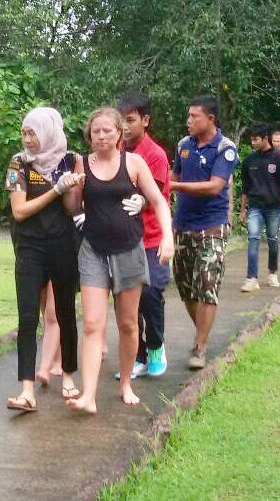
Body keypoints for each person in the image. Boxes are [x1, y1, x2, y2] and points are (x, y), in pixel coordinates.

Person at [65, 107, 174, 414]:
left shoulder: (134, 162)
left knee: (127, 324)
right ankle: (88, 395)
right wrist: (74, 190)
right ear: (89, 135)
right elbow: (73, 206)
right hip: (93, 252)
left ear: (118, 133)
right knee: (92, 325)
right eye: (96, 131)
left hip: (128, 250)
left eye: (107, 131)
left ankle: (125, 382)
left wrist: (167, 237)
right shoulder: (82, 163)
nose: (102, 136)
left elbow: (159, 202)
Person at [4, 106, 84, 412]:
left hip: (63, 244)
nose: (27, 139)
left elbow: (73, 208)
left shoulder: (70, 159)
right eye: (24, 132)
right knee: (27, 318)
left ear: (48, 131)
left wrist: (72, 187)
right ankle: (26, 390)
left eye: (32, 133)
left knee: (65, 313)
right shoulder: (18, 163)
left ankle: (68, 375)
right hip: (29, 247)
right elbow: (19, 211)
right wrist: (56, 188)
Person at [170, 95, 239, 370]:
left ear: (210, 119)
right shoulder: (183, 146)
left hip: (212, 225)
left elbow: (214, 186)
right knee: (186, 287)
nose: (188, 121)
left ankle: (200, 344)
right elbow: (174, 176)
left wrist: (174, 188)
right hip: (183, 224)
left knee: (207, 285)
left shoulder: (226, 148)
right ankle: (203, 331)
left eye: (194, 116)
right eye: (188, 116)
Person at [114, 92, 171, 379]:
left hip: (151, 237)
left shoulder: (155, 155)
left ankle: (156, 346)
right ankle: (135, 355)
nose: (124, 126)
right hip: (124, 238)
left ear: (145, 121)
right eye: (121, 120)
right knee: (127, 298)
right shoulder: (115, 150)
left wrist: (140, 201)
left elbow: (155, 196)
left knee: (150, 293)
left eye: (131, 120)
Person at [238, 122, 280, 292]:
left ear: (265, 138)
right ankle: (251, 278)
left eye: (256, 139)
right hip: (255, 206)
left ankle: (272, 273)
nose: (253, 143)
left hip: (274, 207)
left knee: (272, 239)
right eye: (251, 140)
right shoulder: (249, 160)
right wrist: (243, 210)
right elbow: (245, 188)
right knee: (253, 239)